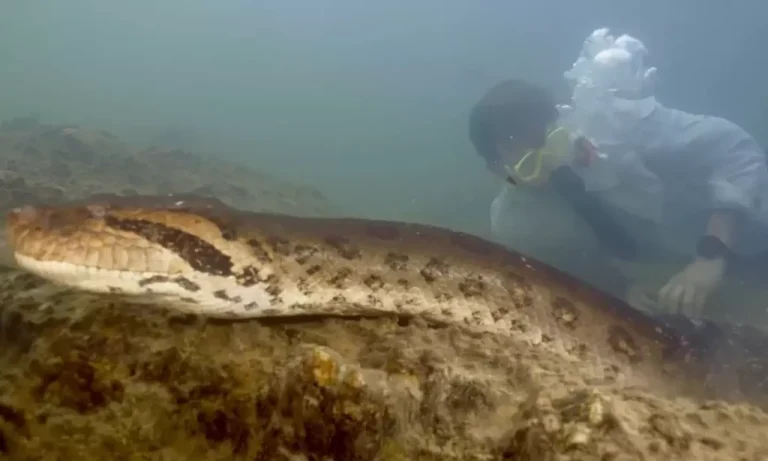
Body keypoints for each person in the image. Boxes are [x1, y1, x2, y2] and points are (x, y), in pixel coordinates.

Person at [468, 75, 768, 319]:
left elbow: (734, 149)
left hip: (751, 233)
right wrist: (621, 287)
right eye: (515, 145)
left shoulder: (617, 128)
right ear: (495, 168)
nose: (545, 161)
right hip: (691, 277)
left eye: (545, 138)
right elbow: (563, 262)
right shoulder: (515, 223)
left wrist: (712, 254)